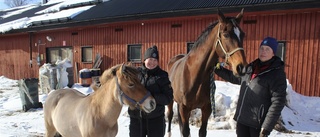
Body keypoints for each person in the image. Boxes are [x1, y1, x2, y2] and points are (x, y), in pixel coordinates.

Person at [215, 37, 287, 137]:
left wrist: (266, 127)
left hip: (257, 125)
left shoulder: (277, 74)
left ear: (273, 53)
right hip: (242, 121)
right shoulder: (252, 66)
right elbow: (236, 78)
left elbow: (278, 102)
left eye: (267, 49)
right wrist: (217, 69)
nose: (263, 51)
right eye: (262, 48)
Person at [128, 45, 173, 137]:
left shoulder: (162, 76)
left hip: (155, 119)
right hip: (137, 119)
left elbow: (168, 98)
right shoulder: (135, 74)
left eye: (155, 60)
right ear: (144, 60)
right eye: (150, 59)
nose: (152, 62)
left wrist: (151, 97)